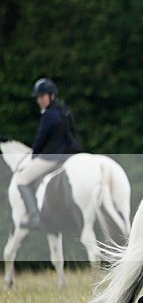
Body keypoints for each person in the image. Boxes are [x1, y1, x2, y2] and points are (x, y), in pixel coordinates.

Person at [16, 78, 83, 230]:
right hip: (67, 155)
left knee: (21, 179)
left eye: (42, 96)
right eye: (38, 97)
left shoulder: (49, 115)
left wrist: (33, 157)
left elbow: (40, 141)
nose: (39, 100)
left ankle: (34, 217)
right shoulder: (64, 110)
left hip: (52, 158)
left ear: (51, 95)